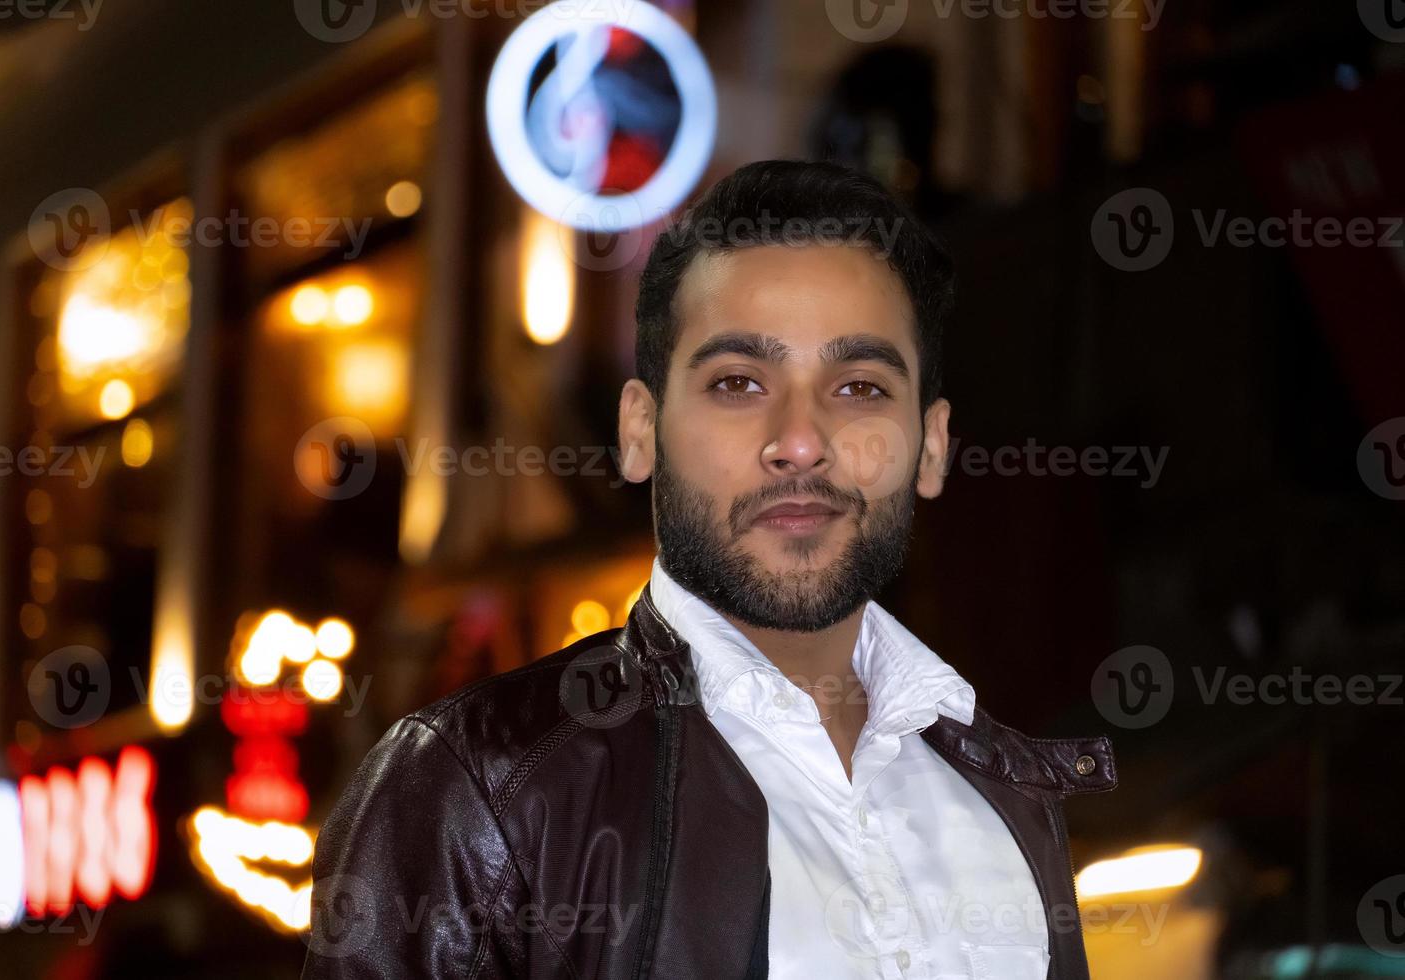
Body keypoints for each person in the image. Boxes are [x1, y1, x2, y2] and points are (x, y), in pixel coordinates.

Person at [300, 159, 1116, 980]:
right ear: (640, 430)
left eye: (860, 386)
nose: (801, 439)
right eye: (738, 381)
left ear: (931, 446)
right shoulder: (479, 789)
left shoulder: (1006, 804)